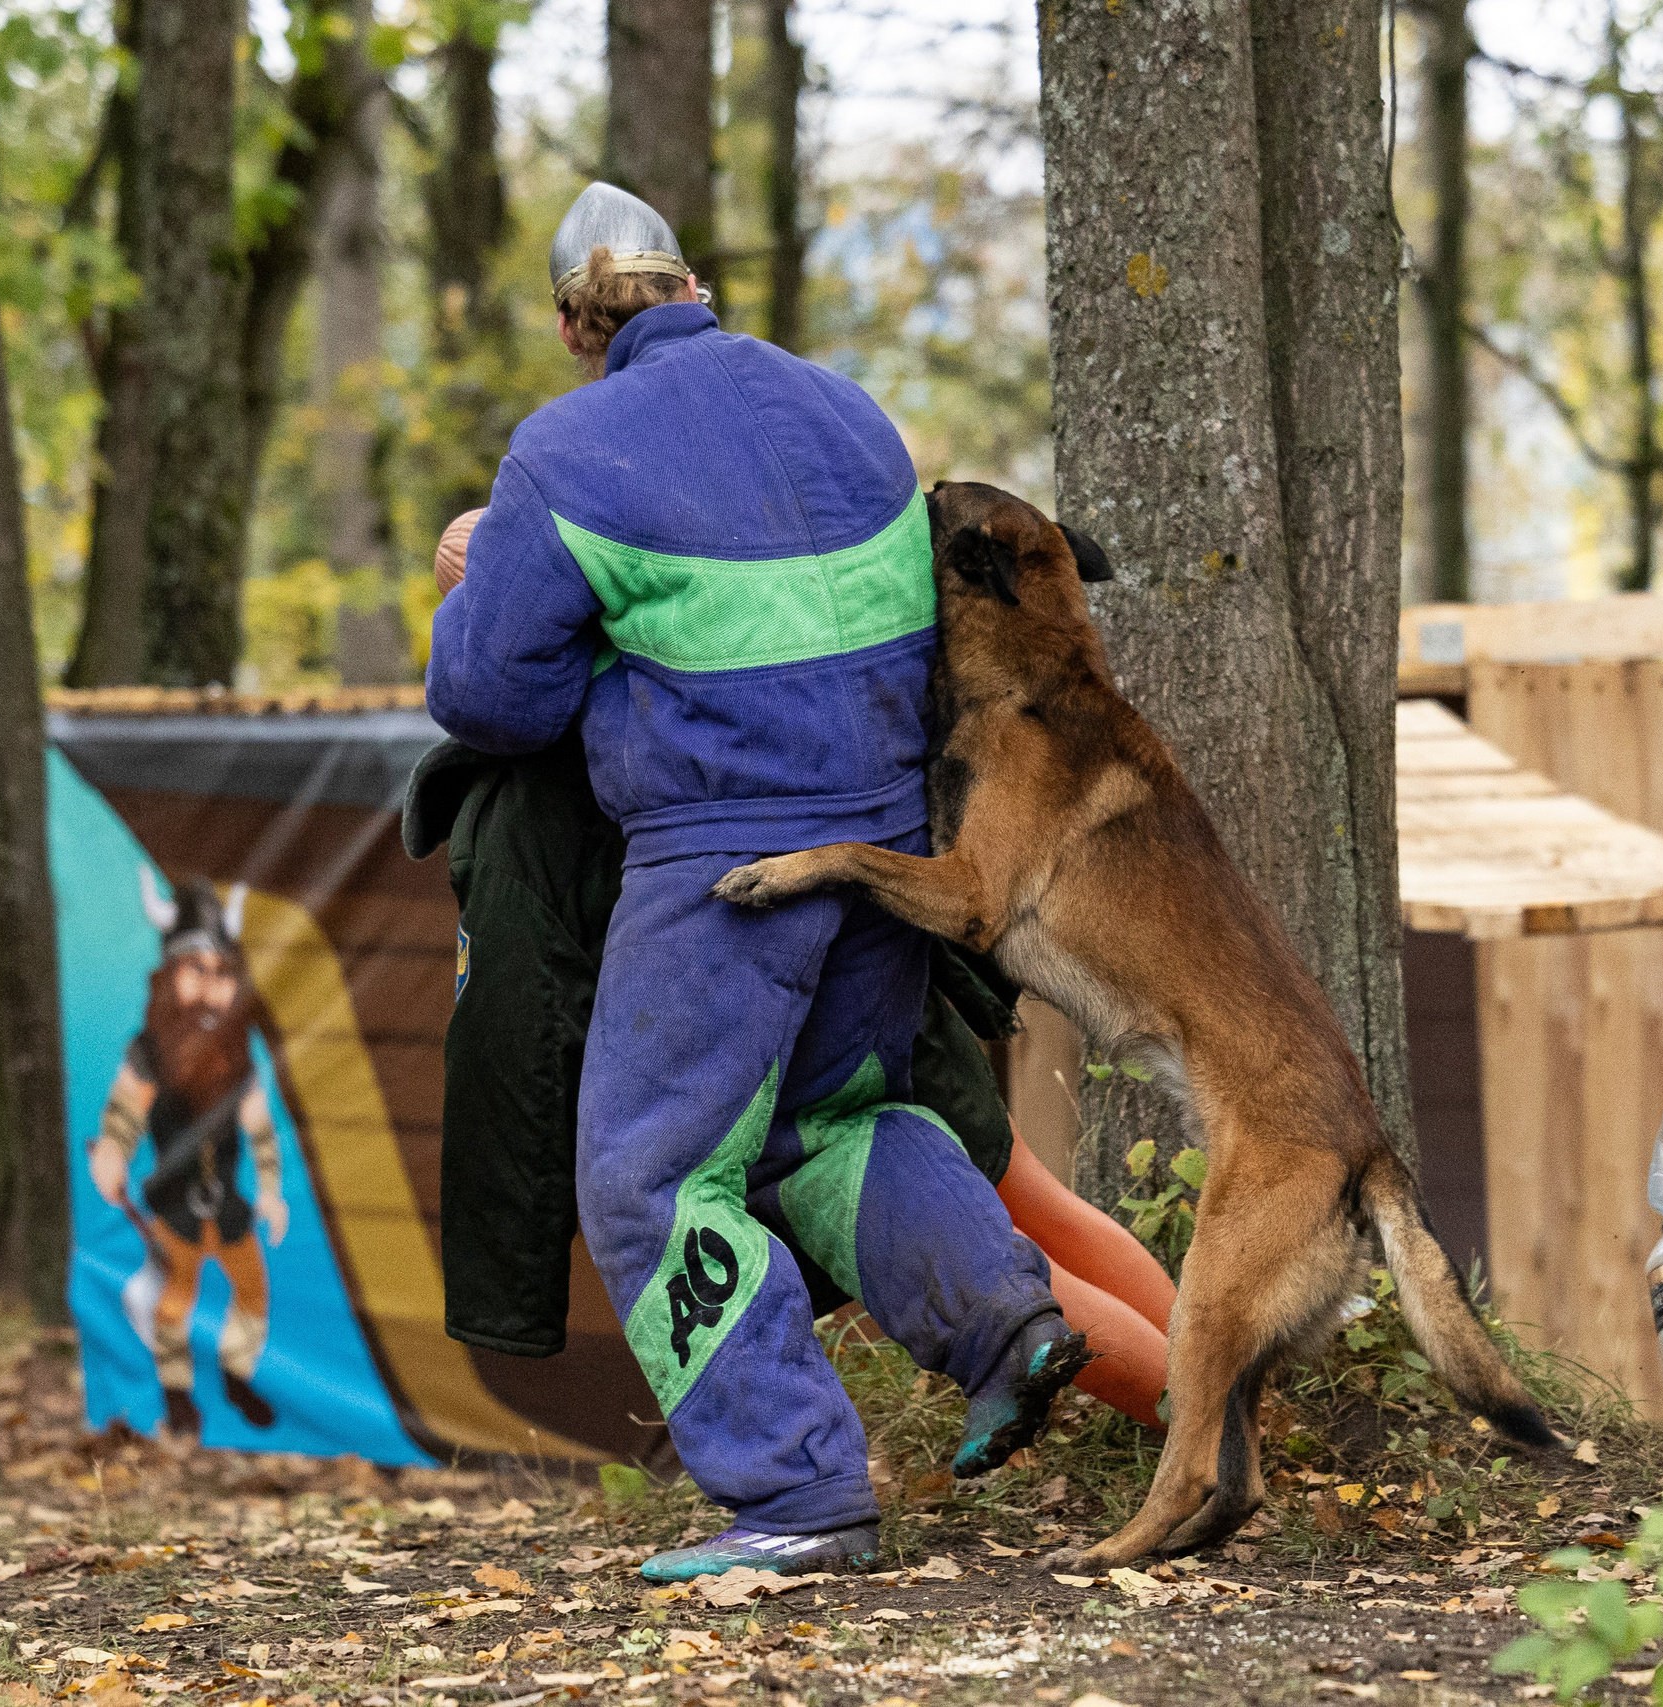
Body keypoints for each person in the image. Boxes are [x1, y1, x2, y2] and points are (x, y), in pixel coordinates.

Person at [425, 182, 1087, 1582]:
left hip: (724, 866)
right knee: (828, 1122)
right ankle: (1002, 1321)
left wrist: (474, 578)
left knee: (650, 1176)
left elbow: (491, 698)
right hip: (885, 845)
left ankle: (795, 1487)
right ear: (693, 286)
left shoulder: (566, 448)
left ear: (573, 325)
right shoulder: (847, 411)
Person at [89, 873, 289, 1437]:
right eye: (196, 972)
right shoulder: (151, 1052)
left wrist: (271, 1191)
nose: (209, 988)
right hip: (175, 1207)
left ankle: (235, 1374)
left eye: (223, 974)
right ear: (170, 976)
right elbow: (125, 1114)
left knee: (252, 1292)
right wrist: (111, 1154)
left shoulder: (236, 1058)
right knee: (174, 1303)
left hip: (228, 1205)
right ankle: (177, 1396)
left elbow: (261, 1131)